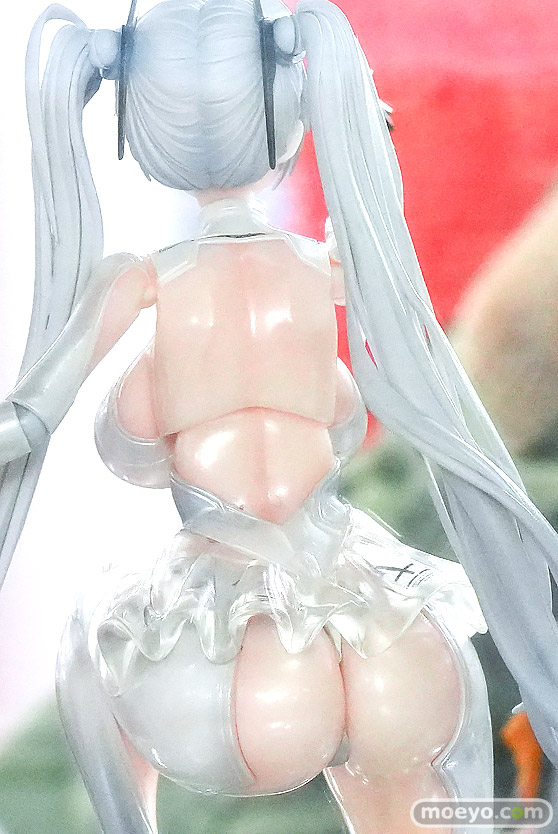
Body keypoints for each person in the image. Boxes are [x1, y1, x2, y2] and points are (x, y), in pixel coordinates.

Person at [0, 1, 556, 831]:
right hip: (375, 625)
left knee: (90, 661)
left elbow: (40, 416)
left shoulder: (143, 282)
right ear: (296, 106)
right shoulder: (331, 267)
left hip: (232, 657)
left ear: (135, 127)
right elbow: (427, 385)